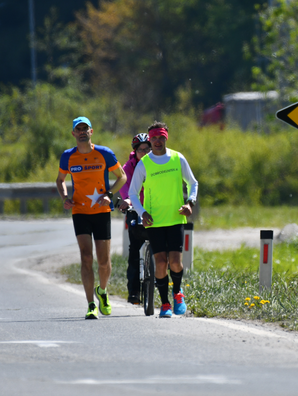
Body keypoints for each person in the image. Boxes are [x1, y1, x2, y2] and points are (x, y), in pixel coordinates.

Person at [56, 116, 127, 320]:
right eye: (78, 129)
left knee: (103, 261)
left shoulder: (104, 153)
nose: (81, 132)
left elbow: (122, 176)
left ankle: (102, 292)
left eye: (85, 128)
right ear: (73, 133)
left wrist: (109, 194)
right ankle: (90, 305)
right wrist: (65, 197)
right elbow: (60, 179)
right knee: (86, 257)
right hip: (80, 212)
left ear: (91, 131)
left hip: (101, 211)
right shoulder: (68, 157)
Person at [128, 121, 198, 318]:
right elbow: (133, 193)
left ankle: (177, 293)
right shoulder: (144, 164)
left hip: (176, 218)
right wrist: (142, 212)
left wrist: (190, 203)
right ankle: (165, 304)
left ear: (166, 137)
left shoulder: (178, 158)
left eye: (161, 137)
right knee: (160, 263)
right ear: (149, 140)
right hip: (155, 222)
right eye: (154, 138)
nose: (157, 141)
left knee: (175, 262)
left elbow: (193, 183)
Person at [117, 133, 151, 304]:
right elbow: (127, 190)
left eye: (147, 149)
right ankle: (134, 292)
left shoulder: (158, 163)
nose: (144, 153)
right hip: (135, 210)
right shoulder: (128, 168)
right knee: (134, 251)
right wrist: (128, 202)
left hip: (155, 212)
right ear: (135, 152)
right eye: (140, 150)